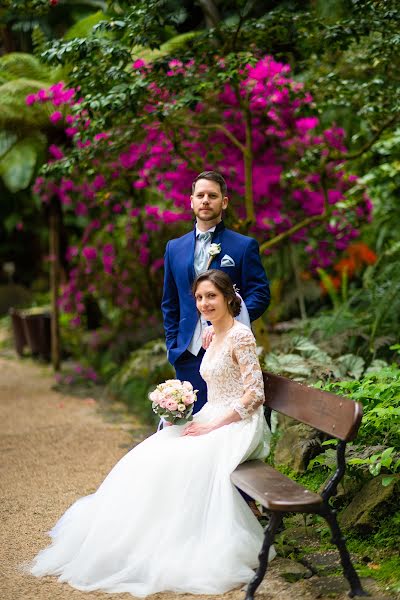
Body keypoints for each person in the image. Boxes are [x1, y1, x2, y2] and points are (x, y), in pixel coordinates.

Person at [28, 270, 275, 597]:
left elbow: (255, 393)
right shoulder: (211, 333)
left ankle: (180, 538)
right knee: (153, 452)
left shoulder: (241, 336)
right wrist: (187, 411)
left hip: (238, 422)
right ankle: (138, 536)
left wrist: (215, 425)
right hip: (211, 413)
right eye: (200, 297)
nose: (204, 303)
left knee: (185, 456)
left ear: (229, 298)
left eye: (211, 296)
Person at [162, 170, 270, 414]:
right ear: (191, 201)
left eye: (212, 195)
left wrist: (229, 323)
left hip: (228, 355)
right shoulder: (174, 248)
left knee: (221, 422)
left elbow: (260, 294)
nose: (205, 200)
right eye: (200, 195)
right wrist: (173, 345)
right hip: (187, 354)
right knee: (187, 427)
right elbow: (170, 302)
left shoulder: (243, 246)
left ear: (224, 202)